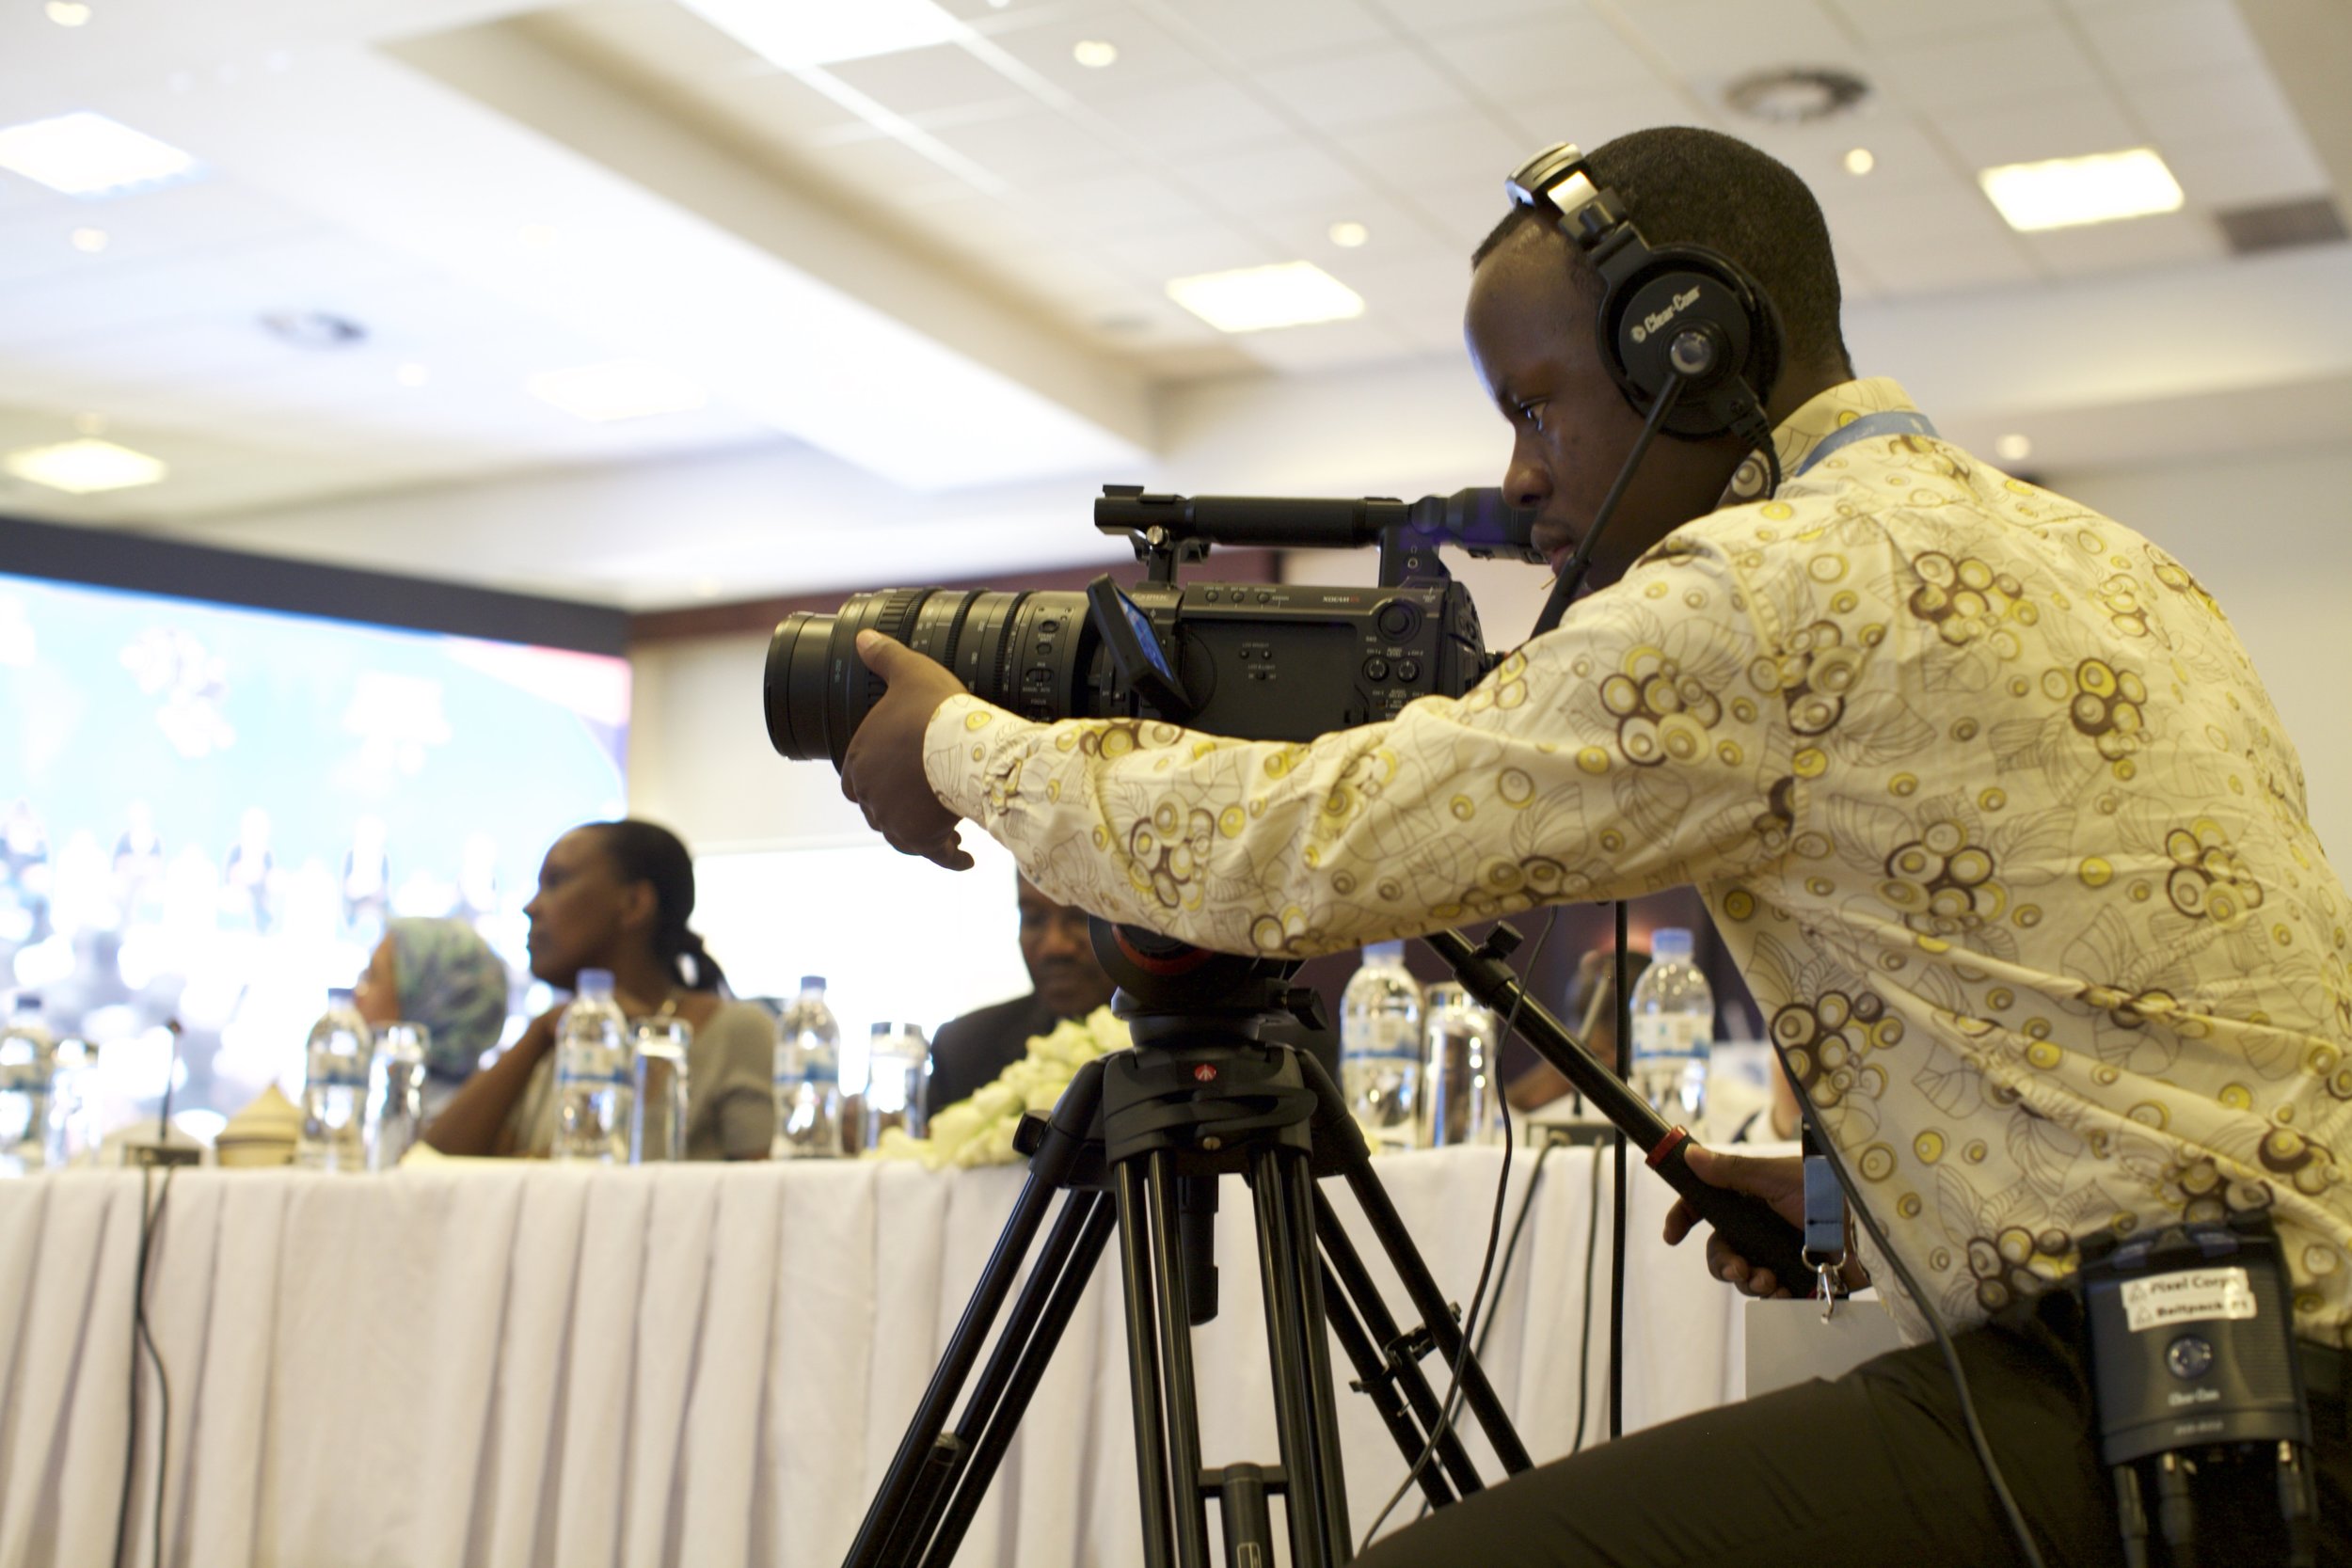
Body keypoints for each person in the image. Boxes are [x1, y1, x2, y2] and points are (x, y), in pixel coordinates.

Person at [838, 125, 2352, 1563]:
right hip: (2261, 1365)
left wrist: (960, 744)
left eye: (1536, 407)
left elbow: (1307, 854)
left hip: (2158, 1404)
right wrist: (1848, 1190)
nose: (1515, 474)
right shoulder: (2108, 555)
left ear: (1687, 352)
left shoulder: (1769, 586)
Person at [422, 818, 772, 1161]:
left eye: (556, 882)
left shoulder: (736, 1033)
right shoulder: (558, 1042)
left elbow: (768, 1200)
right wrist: (538, 1035)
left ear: (633, 903)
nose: (530, 908)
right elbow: (433, 1169)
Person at [928, 874, 1117, 1111]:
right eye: (1034, 919)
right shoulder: (963, 1049)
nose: (1055, 946)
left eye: (1081, 917)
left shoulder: (1175, 1046)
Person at [351, 916, 510, 1117]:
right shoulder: (391, 1104)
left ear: (429, 999)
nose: (357, 995)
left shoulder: (443, 1125)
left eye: (372, 976)